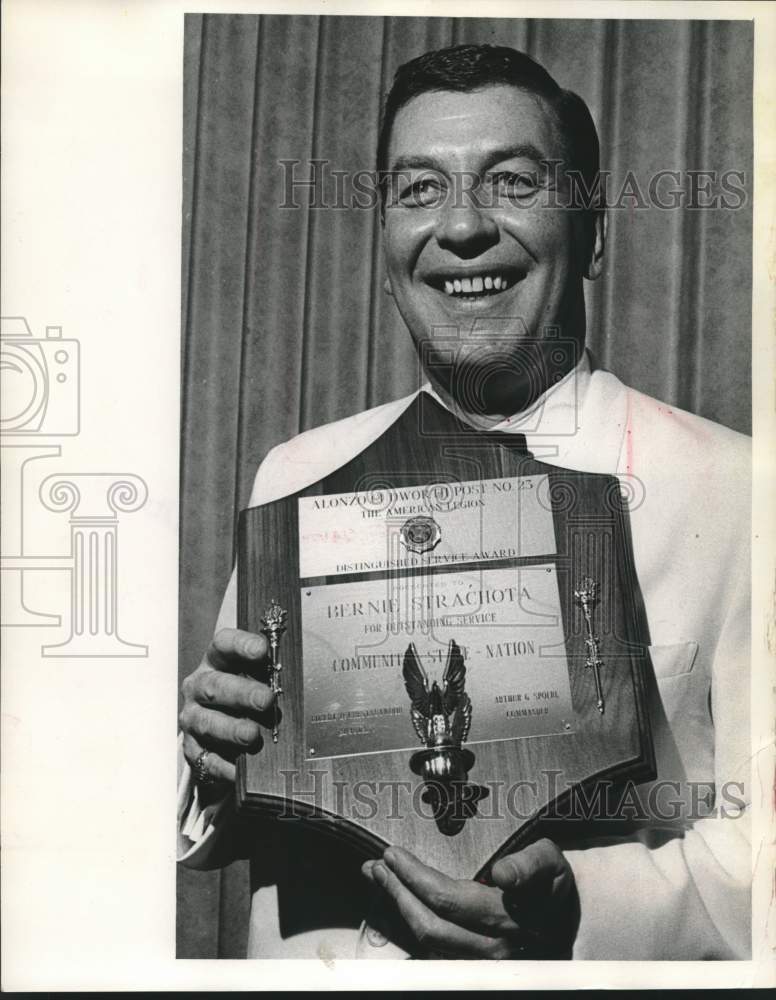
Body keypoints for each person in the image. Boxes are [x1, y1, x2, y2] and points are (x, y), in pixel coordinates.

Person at [177, 44, 751, 960]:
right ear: (386, 240)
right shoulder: (294, 477)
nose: (463, 228)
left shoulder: (740, 494)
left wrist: (584, 914)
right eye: (419, 191)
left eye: (514, 184)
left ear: (594, 230)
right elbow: (235, 816)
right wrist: (213, 765)